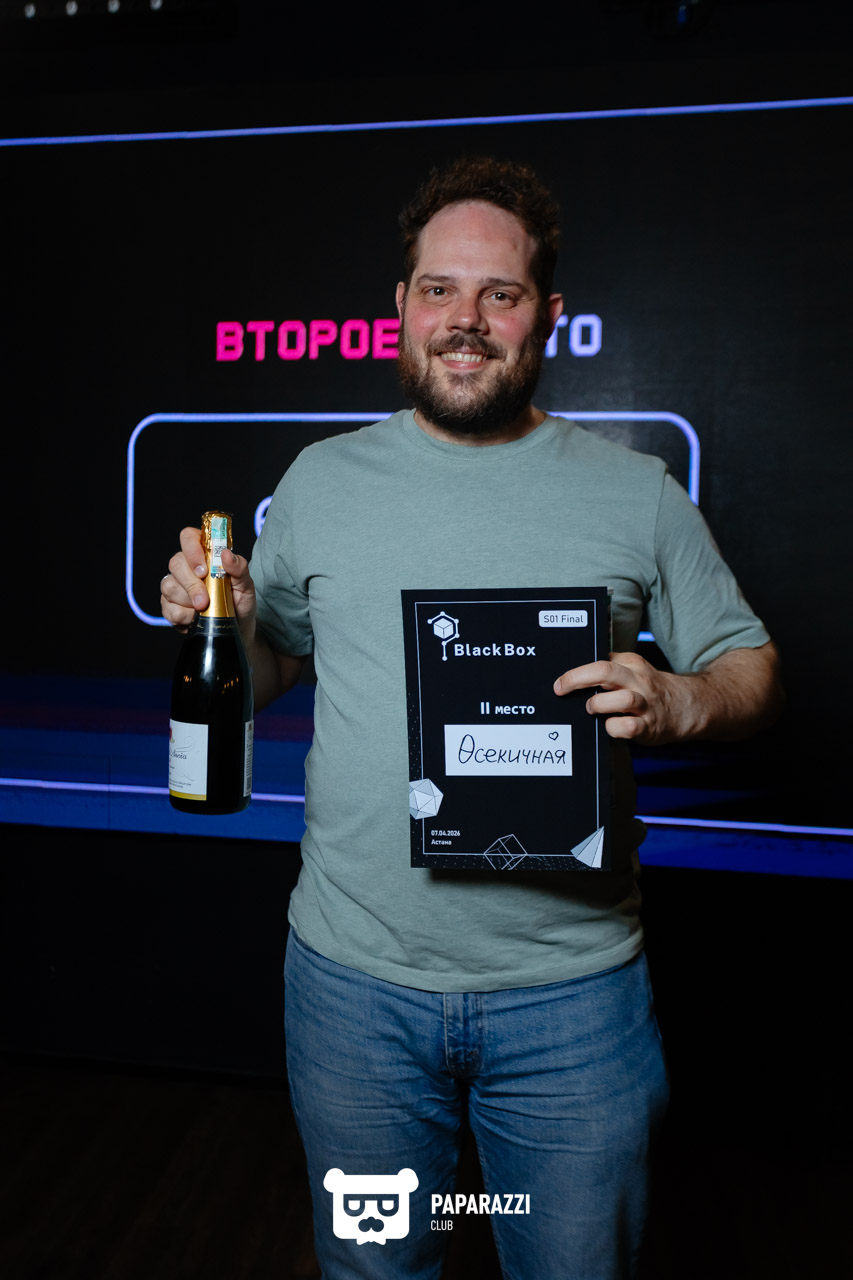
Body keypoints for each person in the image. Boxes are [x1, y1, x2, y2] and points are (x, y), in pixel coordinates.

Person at [161, 157, 782, 1278]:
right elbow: (273, 667)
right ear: (400, 305)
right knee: (372, 1269)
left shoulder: (634, 490)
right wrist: (224, 626)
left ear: (547, 314)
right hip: (352, 986)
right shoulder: (321, 479)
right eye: (438, 290)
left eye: (499, 294)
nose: (465, 321)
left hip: (573, 998)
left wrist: (684, 695)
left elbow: (750, 666)